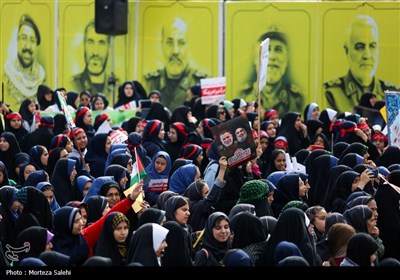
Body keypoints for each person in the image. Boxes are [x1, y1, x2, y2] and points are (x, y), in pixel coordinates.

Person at [324, 14, 400, 113]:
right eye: (360, 47)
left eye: (372, 46)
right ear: (347, 50)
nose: (367, 55)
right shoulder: (330, 94)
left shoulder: (393, 94)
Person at [144, 17, 208, 110]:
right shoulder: (150, 82)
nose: (175, 51)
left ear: (188, 46)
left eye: (181, 43)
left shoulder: (200, 81)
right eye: (169, 42)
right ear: (162, 45)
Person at [240, 25, 303, 117]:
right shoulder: (243, 96)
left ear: (287, 59)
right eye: (267, 50)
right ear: (254, 58)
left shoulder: (298, 99)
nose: (272, 56)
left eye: (278, 49)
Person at [3, 14, 45, 106]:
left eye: (32, 40)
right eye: (24, 38)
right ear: (17, 40)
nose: (28, 46)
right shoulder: (7, 74)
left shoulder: (41, 78)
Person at [71, 20, 114, 104]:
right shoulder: (73, 83)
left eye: (101, 43)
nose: (95, 53)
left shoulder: (117, 86)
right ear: (84, 46)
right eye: (90, 42)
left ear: (109, 47)